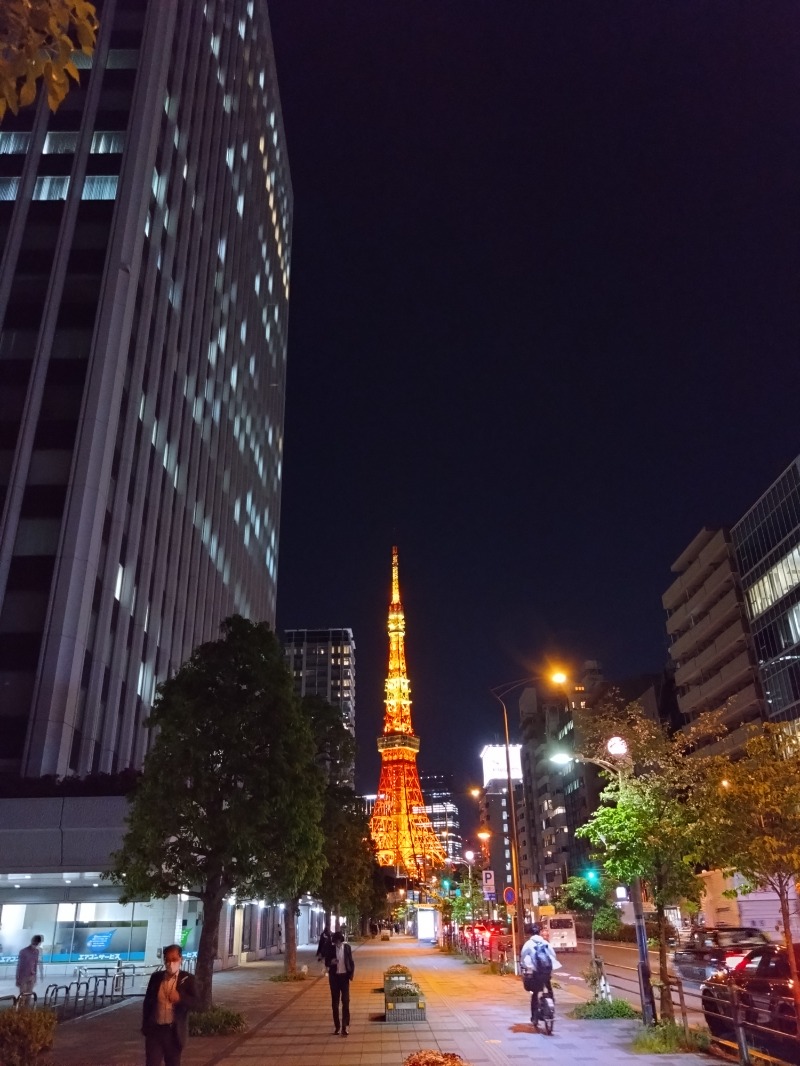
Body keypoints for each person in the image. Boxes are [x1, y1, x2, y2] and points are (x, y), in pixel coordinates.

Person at [142, 944, 200, 1066]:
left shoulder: (188, 979)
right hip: (155, 1030)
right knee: (152, 1062)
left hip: (174, 1032)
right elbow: (148, 1002)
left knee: (173, 1062)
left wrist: (181, 998)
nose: (170, 963)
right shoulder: (156, 978)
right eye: (167, 960)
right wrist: (146, 1026)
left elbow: (197, 1003)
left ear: (180, 959)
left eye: (174, 959)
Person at [520, 924, 558, 1026]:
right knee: (549, 990)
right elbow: (553, 955)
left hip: (536, 973)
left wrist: (524, 966)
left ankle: (534, 1018)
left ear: (531, 934)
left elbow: (523, 957)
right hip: (546, 971)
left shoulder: (528, 944)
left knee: (535, 993)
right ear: (539, 933)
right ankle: (551, 1009)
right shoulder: (545, 942)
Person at [324, 930, 354, 1036]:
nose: (337, 943)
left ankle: (345, 1026)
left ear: (341, 940)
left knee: (346, 1001)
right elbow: (326, 961)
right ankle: (337, 1026)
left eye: (339, 941)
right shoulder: (331, 949)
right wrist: (331, 962)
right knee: (335, 1003)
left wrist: (351, 975)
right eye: (335, 942)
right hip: (334, 978)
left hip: (344, 978)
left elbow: (351, 961)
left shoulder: (347, 948)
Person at [16, 934, 44, 1006]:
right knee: (23, 996)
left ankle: (26, 1012)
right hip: (23, 976)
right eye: (35, 943)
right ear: (32, 942)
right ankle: (20, 1011)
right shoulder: (23, 952)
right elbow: (19, 966)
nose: (36, 945)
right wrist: (17, 978)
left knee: (29, 996)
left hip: (31, 976)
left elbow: (35, 964)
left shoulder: (36, 952)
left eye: (37, 943)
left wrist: (35, 977)